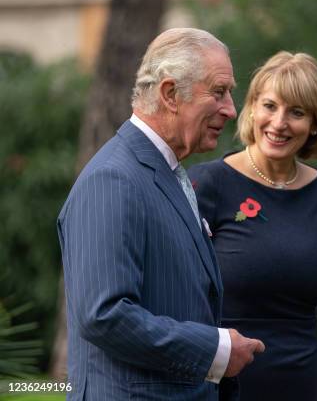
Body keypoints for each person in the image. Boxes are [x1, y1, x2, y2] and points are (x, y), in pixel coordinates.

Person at [57, 28, 265, 401]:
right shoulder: (113, 178)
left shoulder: (161, 171)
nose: (231, 109)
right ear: (170, 94)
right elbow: (103, 315)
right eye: (218, 91)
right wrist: (215, 350)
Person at [188, 51, 317, 401]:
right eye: (270, 105)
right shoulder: (206, 185)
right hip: (218, 385)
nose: (279, 123)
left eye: (296, 112)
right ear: (252, 108)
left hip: (303, 384)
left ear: (315, 124)